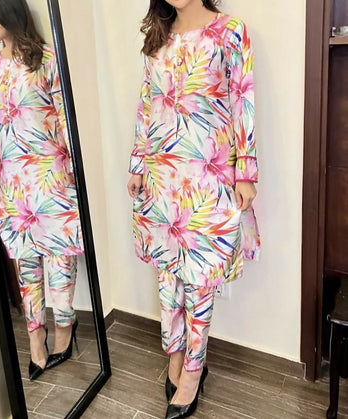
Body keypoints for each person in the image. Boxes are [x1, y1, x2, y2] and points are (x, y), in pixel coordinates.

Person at [127, 0, 260, 417]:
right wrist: (137, 163)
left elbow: (243, 103)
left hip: (209, 177)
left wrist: (246, 172)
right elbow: (147, 104)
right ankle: (174, 353)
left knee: (200, 278)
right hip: (161, 178)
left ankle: (193, 369)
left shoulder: (231, 31)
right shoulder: (158, 38)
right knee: (168, 274)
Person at [0, 0, 83, 381]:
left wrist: (74, 168)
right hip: (13, 181)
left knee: (60, 259)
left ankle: (64, 330)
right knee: (25, 262)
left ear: (11, 10)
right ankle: (35, 338)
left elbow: (65, 117)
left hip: (51, 176)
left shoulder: (46, 59)